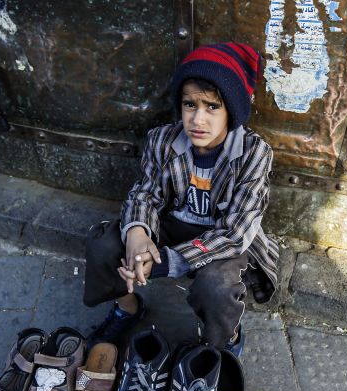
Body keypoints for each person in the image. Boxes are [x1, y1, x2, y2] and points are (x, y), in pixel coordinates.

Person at [82, 42, 279, 356]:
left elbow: (235, 233)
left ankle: (223, 340)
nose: (198, 119)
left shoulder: (254, 153)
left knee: (217, 286)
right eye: (190, 105)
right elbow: (144, 193)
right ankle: (128, 308)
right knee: (106, 244)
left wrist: (165, 265)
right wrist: (137, 235)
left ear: (232, 109)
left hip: (222, 241)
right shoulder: (162, 140)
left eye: (212, 106)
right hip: (172, 227)